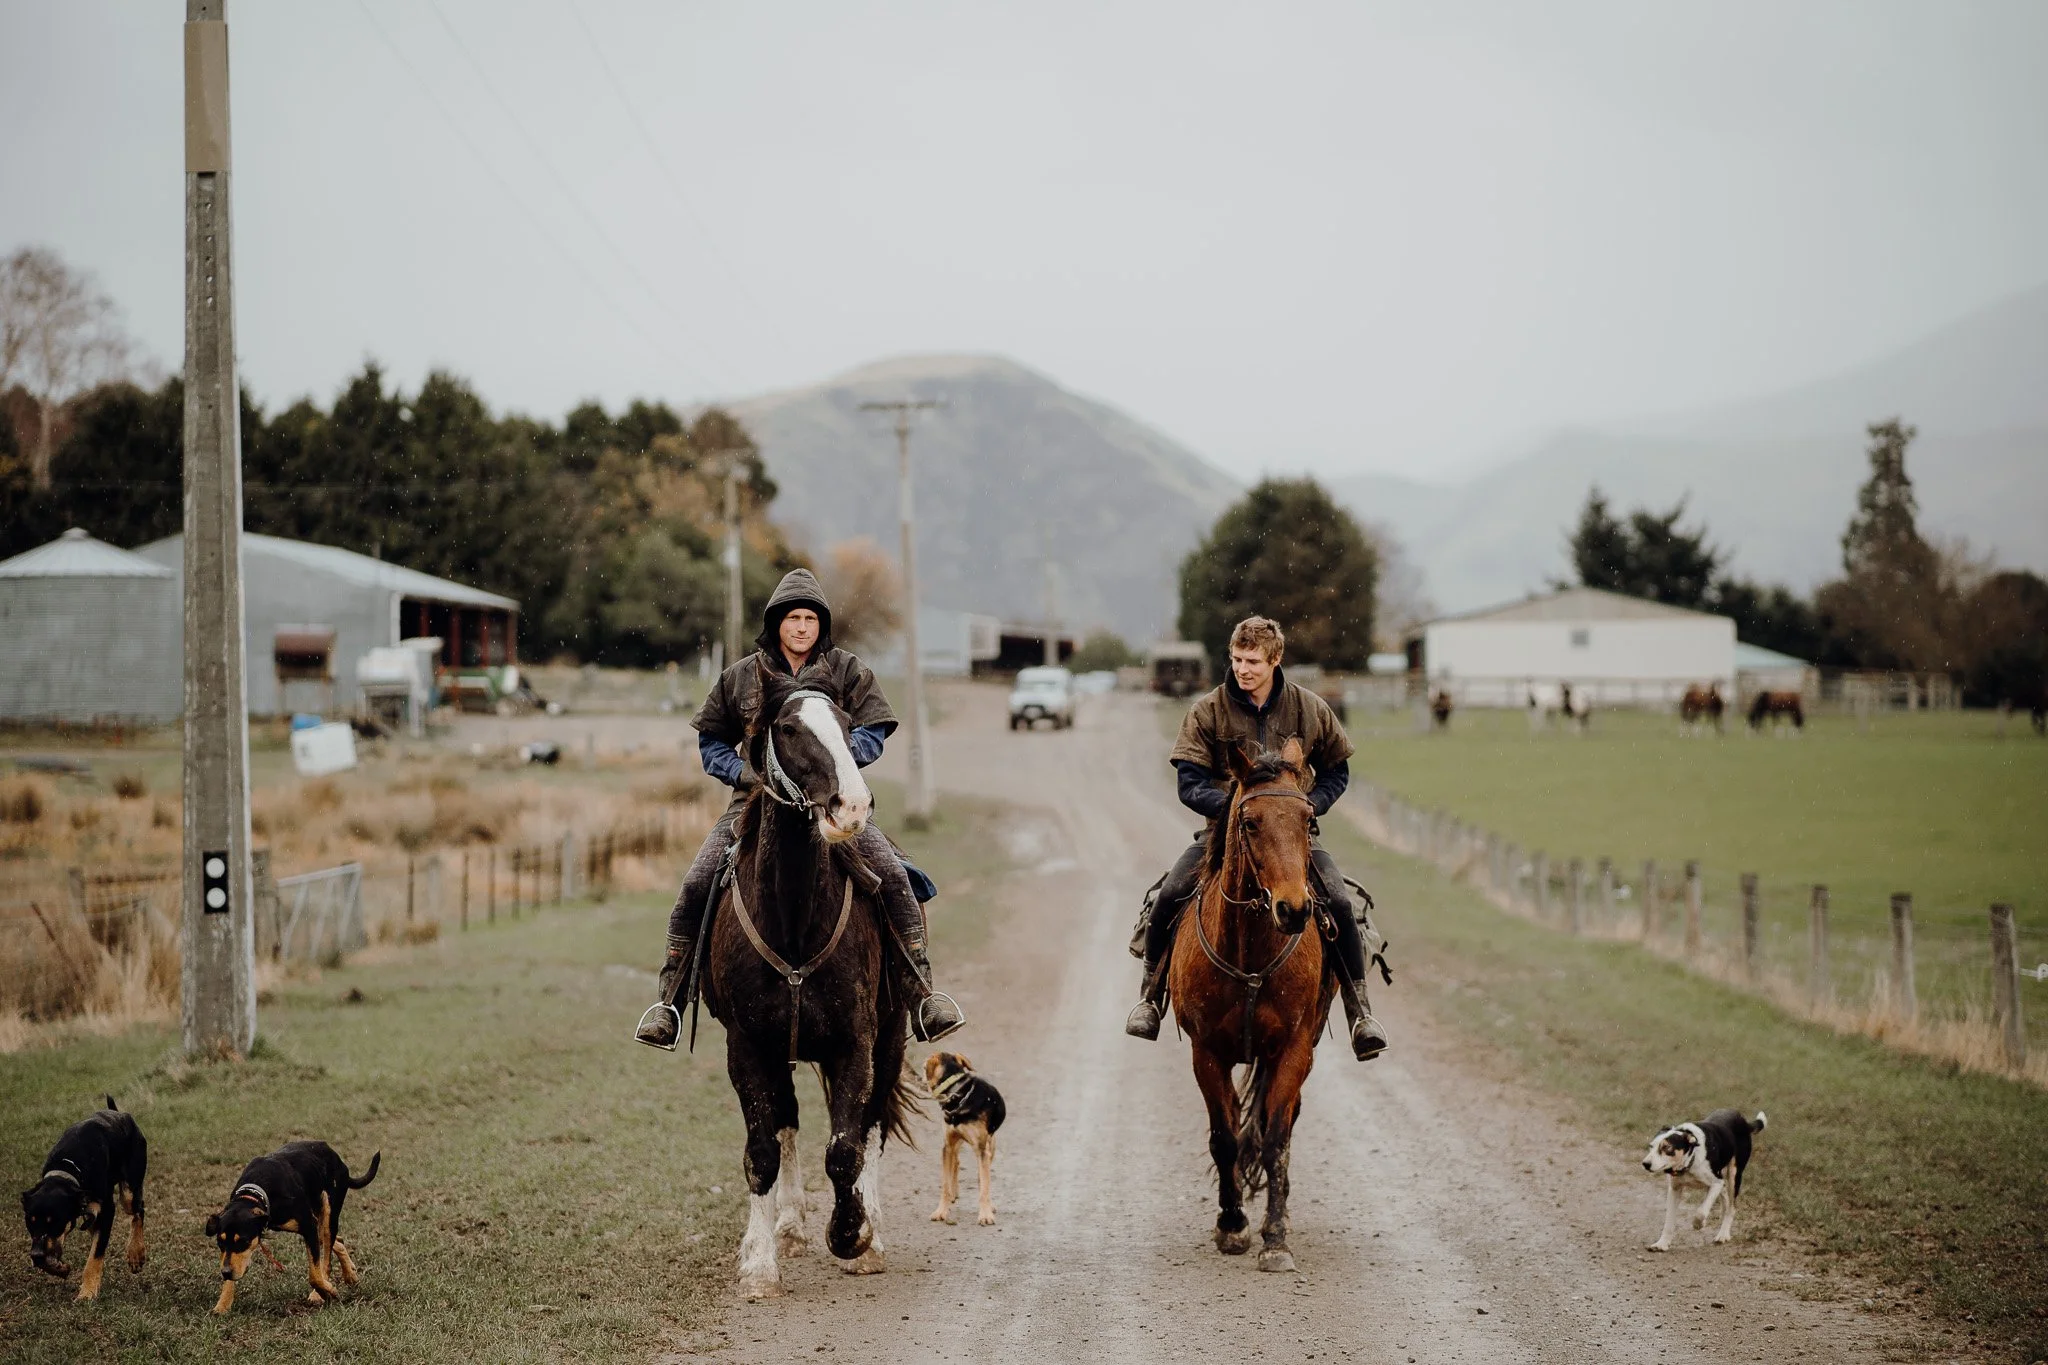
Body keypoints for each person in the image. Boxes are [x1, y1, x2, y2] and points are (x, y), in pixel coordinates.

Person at [634, 568, 965, 1048]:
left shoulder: (846, 669)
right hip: (753, 805)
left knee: (893, 875)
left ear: (821, 624)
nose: (802, 627)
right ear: (776, 623)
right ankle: (670, 1002)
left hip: (833, 803)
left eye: (811, 618)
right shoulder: (740, 677)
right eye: (793, 618)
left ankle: (922, 994)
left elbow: (874, 728)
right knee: (695, 883)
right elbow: (711, 741)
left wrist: (839, 762)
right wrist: (745, 774)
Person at [1124, 615, 1388, 1060]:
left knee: (1340, 903)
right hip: (1223, 835)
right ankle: (1150, 999)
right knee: (1169, 895)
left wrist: (1308, 807)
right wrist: (1235, 811)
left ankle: (1359, 1011)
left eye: (1253, 661)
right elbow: (1189, 781)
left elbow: (1337, 770)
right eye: (1237, 659)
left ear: (1275, 660)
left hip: (1292, 837)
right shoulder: (1207, 709)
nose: (1243, 669)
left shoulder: (1310, 708)